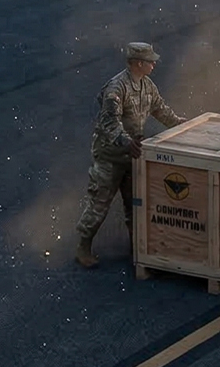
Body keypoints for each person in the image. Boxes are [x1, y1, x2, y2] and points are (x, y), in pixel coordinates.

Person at [74, 42, 183, 269]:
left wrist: (180, 124)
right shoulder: (116, 89)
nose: (154, 64)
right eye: (150, 61)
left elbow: (160, 109)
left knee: (135, 203)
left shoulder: (147, 85)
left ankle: (137, 246)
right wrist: (125, 142)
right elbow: (109, 123)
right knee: (100, 203)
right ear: (138, 63)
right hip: (111, 156)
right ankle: (83, 246)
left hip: (132, 153)